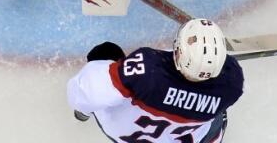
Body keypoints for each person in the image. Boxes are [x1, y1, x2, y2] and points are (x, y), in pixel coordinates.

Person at [67, 18, 243, 143]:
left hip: (125, 134)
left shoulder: (147, 69)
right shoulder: (232, 83)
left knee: (106, 52)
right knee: (218, 116)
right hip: (196, 138)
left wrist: (81, 107)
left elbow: (88, 92)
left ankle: (82, 114)